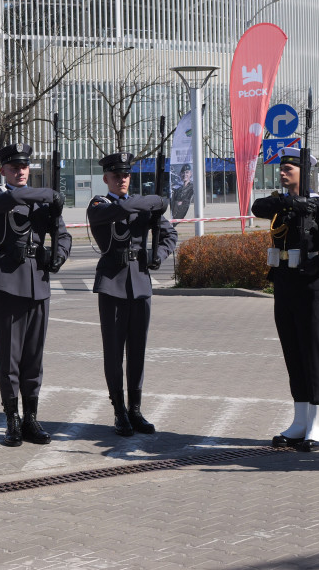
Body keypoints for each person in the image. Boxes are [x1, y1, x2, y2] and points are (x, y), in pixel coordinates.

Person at [250, 147, 319, 452]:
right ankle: (300, 420)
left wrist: (317, 261)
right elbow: (257, 207)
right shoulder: (281, 205)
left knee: (311, 353)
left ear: (304, 173)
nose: (283, 173)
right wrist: (288, 202)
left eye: (289, 169)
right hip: (284, 284)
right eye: (281, 168)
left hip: (311, 285)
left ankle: (318, 421)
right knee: (292, 352)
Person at [0, 143, 71, 447]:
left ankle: (31, 417)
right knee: (10, 357)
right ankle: (12, 419)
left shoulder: (43, 201)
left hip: (38, 282)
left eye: (24, 167)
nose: (20, 172)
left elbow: (63, 234)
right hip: (10, 282)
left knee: (34, 357)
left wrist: (59, 255)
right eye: (14, 167)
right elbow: (15, 197)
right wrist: (50, 194)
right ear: (3, 170)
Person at [86, 152, 178, 435]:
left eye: (126, 175)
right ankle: (119, 411)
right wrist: (155, 201)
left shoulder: (143, 205)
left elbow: (170, 235)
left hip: (140, 283)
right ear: (106, 179)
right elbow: (123, 208)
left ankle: (135, 409)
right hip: (112, 283)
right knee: (114, 352)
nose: (122, 180)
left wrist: (157, 254)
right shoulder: (99, 205)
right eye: (116, 176)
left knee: (137, 350)